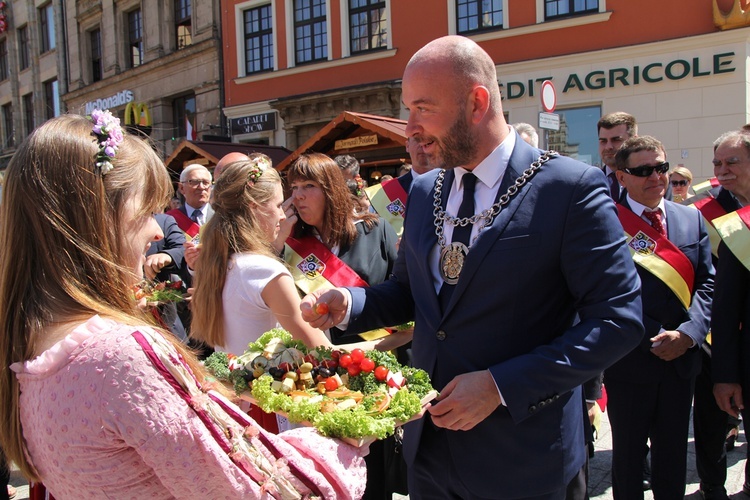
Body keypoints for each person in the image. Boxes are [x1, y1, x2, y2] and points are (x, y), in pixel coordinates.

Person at [300, 35, 644, 499]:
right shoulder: (424, 191)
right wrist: (350, 301)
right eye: (409, 109)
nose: (411, 128)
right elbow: (410, 291)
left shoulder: (568, 188)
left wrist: (501, 386)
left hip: (524, 459)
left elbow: (618, 321)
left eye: (423, 109)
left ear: (477, 102)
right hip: (430, 454)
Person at [0, 112, 367, 499]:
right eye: (145, 211)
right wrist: (349, 434)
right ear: (96, 218)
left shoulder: (32, 338)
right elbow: (265, 490)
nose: (157, 230)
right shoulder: (122, 355)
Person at [285, 152, 404, 499]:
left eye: (309, 186)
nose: (298, 196)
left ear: (333, 189)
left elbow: (400, 290)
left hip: (375, 367)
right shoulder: (291, 243)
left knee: (376, 471)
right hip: (324, 373)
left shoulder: (373, 228)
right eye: (294, 187)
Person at [604, 135, 714, 500]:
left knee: (672, 461)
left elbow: (707, 282)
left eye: (662, 167)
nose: (657, 177)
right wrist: (655, 335)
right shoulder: (605, 222)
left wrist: (689, 334)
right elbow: (603, 293)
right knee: (629, 464)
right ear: (622, 177)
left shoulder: (690, 218)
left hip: (681, 361)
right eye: (644, 170)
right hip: (631, 360)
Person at [190, 154, 333, 355]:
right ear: (254, 206)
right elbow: (323, 351)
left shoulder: (217, 258)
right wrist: (386, 342)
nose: (283, 215)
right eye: (277, 206)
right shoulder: (265, 270)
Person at [690, 129, 750, 500]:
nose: (722, 170)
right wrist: (726, 376)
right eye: (717, 163)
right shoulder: (737, 226)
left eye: (733, 162)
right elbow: (725, 308)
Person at [143, 212, 189, 340]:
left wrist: (168, 256)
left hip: (165, 319)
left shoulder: (163, 221)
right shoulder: (105, 223)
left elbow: (184, 249)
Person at [598, 112, 638, 201]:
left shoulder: (651, 181)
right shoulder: (590, 183)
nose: (608, 147)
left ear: (634, 141)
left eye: (616, 140)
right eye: (603, 141)